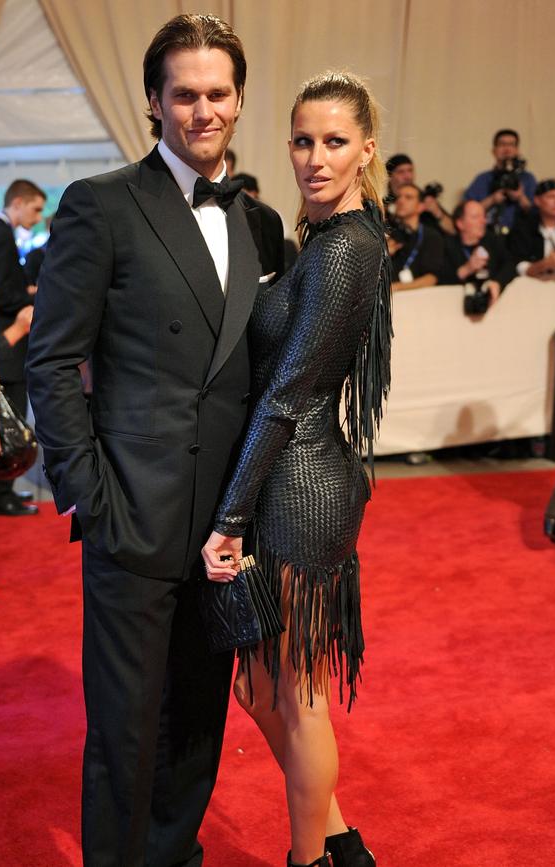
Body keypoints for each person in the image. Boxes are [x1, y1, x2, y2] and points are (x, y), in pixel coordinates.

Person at [26, 13, 285, 867]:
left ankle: (174, 854)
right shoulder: (100, 206)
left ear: (239, 99)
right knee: (126, 732)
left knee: (196, 721)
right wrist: (87, 494)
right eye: (184, 94)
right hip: (131, 513)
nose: (201, 110)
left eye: (217, 93)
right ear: (153, 100)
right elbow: (53, 360)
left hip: (224, 525)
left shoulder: (258, 223)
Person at [202, 70, 391, 867]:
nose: (316, 158)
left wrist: (229, 517)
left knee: (298, 697)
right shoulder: (320, 242)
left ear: (366, 151)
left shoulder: (348, 249)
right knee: (258, 690)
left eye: (336, 142)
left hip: (299, 488)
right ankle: (342, 843)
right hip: (292, 473)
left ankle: (306, 859)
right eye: (305, 141)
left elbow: (284, 395)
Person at [0, 179, 45, 517]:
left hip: (1, 340)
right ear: (17, 203)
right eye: (35, 208)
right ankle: (1, 495)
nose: (38, 216)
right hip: (5, 342)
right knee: (8, 420)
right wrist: (34, 297)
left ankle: (0, 493)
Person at [441, 200, 515, 302]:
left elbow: (510, 265)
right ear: (460, 223)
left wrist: (498, 283)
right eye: (476, 217)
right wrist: (466, 269)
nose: (483, 221)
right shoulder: (446, 246)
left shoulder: (493, 241)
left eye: (484, 216)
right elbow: (439, 280)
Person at [464, 129, 536, 232]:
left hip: (520, 235)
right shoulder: (483, 179)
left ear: (517, 150)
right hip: (489, 234)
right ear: (494, 151)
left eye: (511, 145)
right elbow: (466, 212)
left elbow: (539, 213)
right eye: (502, 144)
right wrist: (492, 199)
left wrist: (520, 197)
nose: (507, 149)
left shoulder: (527, 178)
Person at [388, 183, 444, 290]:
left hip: (417, 299)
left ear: (420, 207)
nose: (401, 201)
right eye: (399, 197)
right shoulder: (387, 233)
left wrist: (395, 288)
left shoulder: (431, 237)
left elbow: (431, 278)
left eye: (408, 197)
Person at [385, 153, 455, 235]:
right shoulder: (385, 204)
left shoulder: (423, 197)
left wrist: (437, 212)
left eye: (410, 170)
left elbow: (453, 230)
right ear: (390, 176)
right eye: (401, 172)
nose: (407, 176)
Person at [508, 179, 555, 279]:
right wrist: (545, 264)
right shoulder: (523, 228)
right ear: (537, 200)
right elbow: (519, 266)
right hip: (532, 283)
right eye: (551, 197)